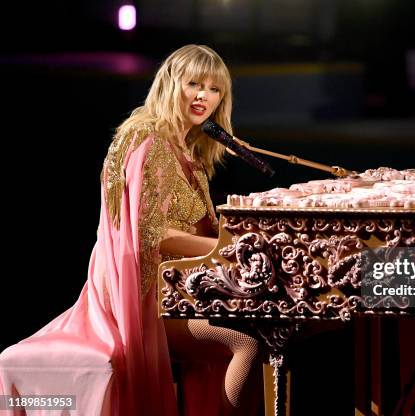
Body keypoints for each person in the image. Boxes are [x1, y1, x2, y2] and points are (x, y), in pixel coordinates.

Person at [0, 44, 263, 415]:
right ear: (172, 85)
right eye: (194, 84)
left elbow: (201, 229)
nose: (204, 96)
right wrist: (227, 246)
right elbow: (150, 235)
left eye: (215, 89)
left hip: (177, 290)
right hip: (145, 300)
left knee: (262, 325)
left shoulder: (189, 151)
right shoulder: (149, 140)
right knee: (246, 342)